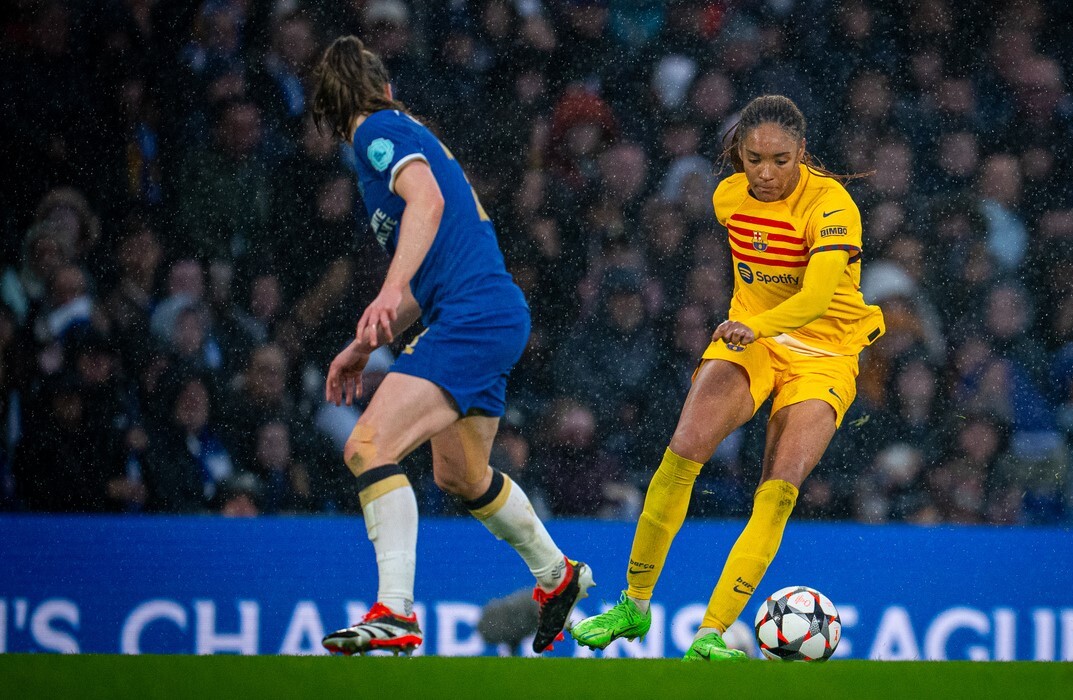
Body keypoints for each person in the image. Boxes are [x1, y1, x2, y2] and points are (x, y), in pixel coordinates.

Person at [571, 95, 885, 661]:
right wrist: (752, 329)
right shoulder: (727, 197)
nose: (766, 173)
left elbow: (815, 299)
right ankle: (633, 605)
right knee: (683, 449)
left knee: (779, 485)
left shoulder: (833, 206)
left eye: (781, 160)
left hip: (824, 352)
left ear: (803, 154)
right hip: (753, 340)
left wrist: (755, 324)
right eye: (755, 157)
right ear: (739, 152)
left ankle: (712, 632)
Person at [309, 36, 592, 656]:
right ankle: (558, 577)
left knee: (367, 445)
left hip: (472, 317)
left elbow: (428, 204)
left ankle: (396, 612)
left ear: (332, 111)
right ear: (383, 84)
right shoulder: (405, 132)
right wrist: (366, 342)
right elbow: (431, 260)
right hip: (484, 312)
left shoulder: (376, 133)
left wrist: (385, 293)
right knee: (461, 475)